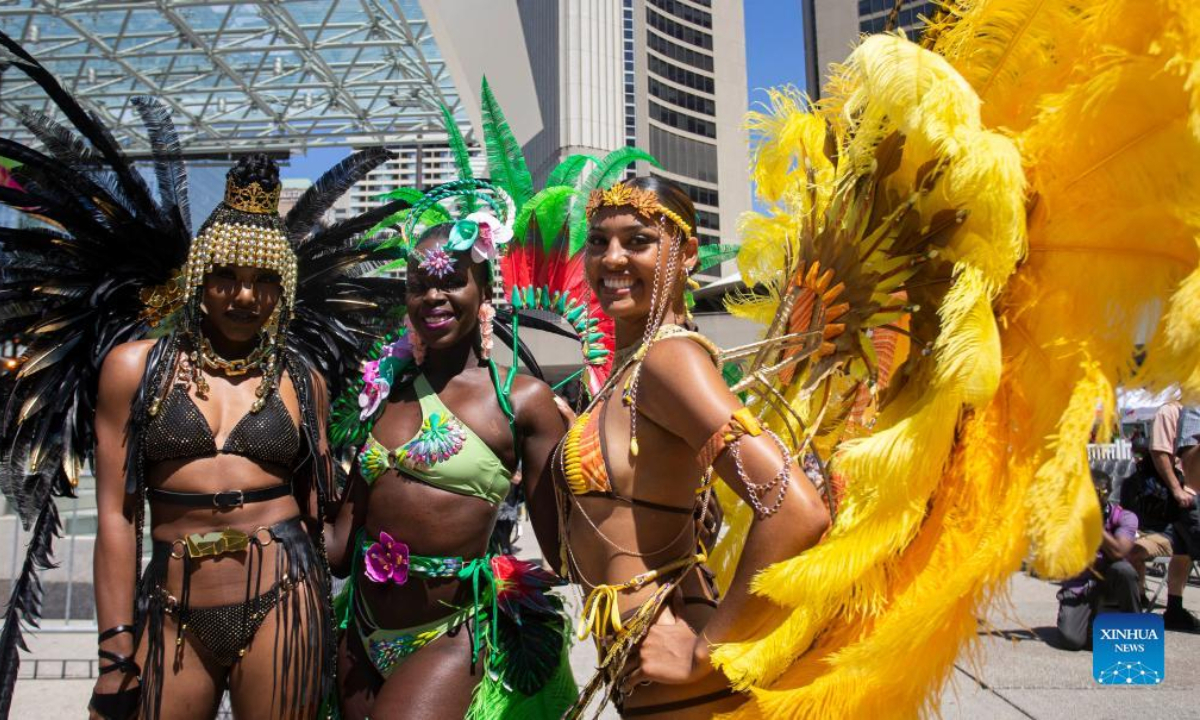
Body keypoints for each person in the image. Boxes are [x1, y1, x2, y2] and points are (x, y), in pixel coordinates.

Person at [0, 36, 410, 717]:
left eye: (262, 282)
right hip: (172, 604)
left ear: (282, 292)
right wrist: (113, 652)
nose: (244, 296)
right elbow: (114, 514)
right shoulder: (134, 369)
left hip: (286, 595)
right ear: (199, 280)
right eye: (226, 277)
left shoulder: (299, 378)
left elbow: (322, 512)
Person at [554, 176, 831, 717]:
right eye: (597, 241)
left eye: (637, 241)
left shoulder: (668, 361)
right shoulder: (634, 368)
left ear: (686, 255)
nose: (612, 258)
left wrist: (701, 652)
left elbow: (796, 509)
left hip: (687, 696)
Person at [328, 181, 576, 720]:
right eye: (420, 284)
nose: (434, 296)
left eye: (452, 281)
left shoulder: (520, 402)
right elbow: (340, 550)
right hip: (361, 634)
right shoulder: (385, 391)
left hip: (450, 633)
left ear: (484, 293)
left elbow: (563, 549)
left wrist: (596, 461)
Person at [1124, 400, 1196, 627]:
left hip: (1182, 507)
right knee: (1140, 551)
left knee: (1183, 552)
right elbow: (1159, 452)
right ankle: (1137, 602)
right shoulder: (1171, 410)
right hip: (1179, 503)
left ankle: (1174, 608)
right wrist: (1176, 488)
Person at [1055, 470, 1140, 650]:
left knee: (1125, 570)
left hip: (1111, 581)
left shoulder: (1125, 517)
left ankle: (1133, 629)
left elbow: (1119, 552)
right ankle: (1095, 624)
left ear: (1107, 493)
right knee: (1071, 641)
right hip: (1081, 584)